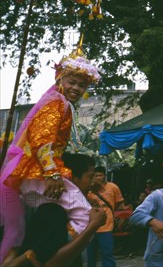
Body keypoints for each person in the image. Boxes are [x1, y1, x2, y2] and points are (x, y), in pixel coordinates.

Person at [0, 47, 101, 263]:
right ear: (60, 79)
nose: (76, 88)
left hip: (35, 177)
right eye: (71, 82)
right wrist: (52, 174)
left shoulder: (59, 103)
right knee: (85, 216)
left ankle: (22, 257)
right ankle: (43, 259)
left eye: (81, 85)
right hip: (41, 176)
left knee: (41, 222)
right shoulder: (57, 103)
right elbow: (41, 139)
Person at [1, 153, 106, 267]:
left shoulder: (40, 204)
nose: (93, 183)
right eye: (90, 177)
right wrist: (93, 225)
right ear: (71, 178)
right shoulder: (52, 212)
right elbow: (54, 262)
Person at [86, 166, 125, 267]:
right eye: (95, 175)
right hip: (90, 227)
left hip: (107, 226)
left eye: (100, 175)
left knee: (107, 254)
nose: (98, 178)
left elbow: (119, 205)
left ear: (105, 176)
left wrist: (119, 219)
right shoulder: (87, 188)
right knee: (91, 255)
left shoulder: (113, 187)